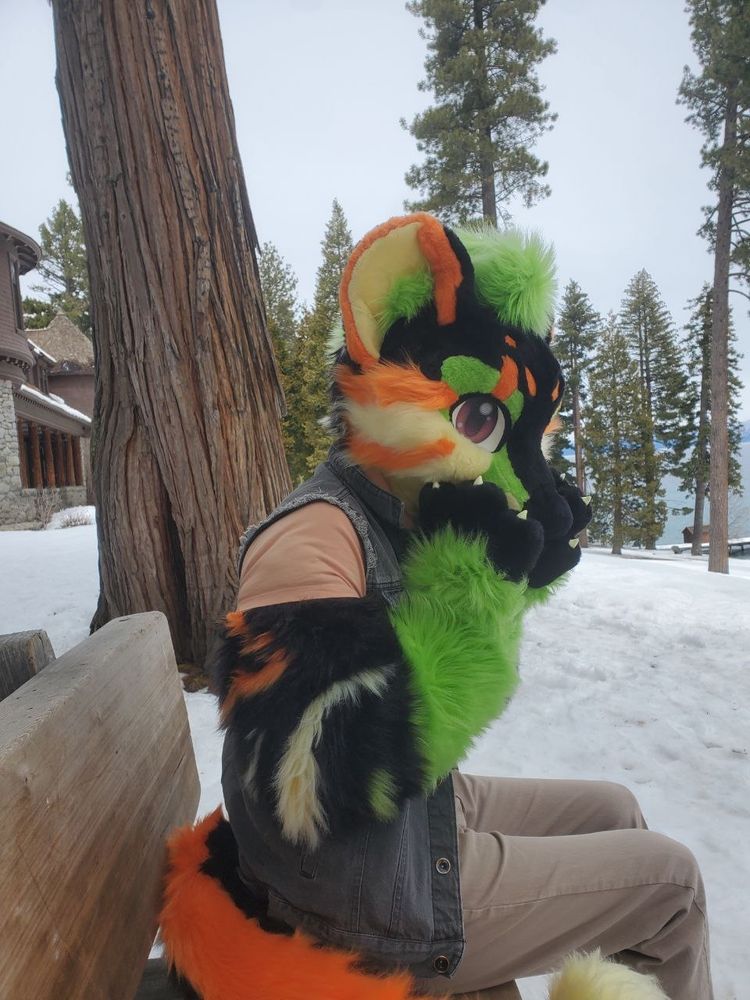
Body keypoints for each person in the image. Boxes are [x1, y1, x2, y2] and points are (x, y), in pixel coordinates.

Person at [161, 214, 712, 1000]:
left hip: (401, 835)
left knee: (614, 806)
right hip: (350, 903)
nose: (509, 467)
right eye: (481, 420)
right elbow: (308, 781)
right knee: (674, 886)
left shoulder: (402, 503)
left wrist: (519, 576)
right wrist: (472, 588)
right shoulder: (314, 534)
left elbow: (458, 650)